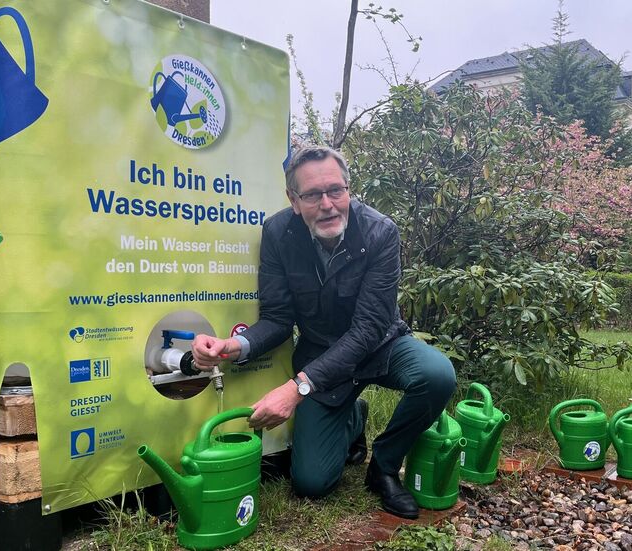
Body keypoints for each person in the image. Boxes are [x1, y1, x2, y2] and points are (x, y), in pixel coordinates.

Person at [191, 146, 456, 519]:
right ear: (294, 200)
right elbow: (279, 318)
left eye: (336, 190)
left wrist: (297, 387)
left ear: (349, 188)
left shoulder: (381, 232)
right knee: (312, 483)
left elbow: (368, 328)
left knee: (437, 375)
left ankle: (382, 467)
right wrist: (232, 345)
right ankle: (353, 418)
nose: (328, 204)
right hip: (321, 356)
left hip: (381, 345)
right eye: (313, 195)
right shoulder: (278, 233)